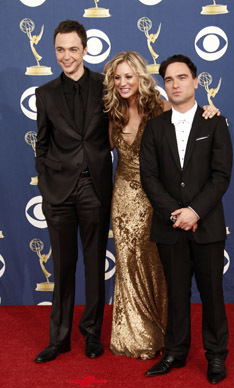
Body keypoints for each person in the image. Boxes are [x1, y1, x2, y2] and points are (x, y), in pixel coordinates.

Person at [103, 51, 220, 360]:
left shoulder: (162, 108)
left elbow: (189, 123)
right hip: (124, 199)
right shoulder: (111, 114)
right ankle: (133, 335)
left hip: (159, 199)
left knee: (161, 268)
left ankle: (162, 333)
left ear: (141, 77)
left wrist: (210, 111)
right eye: (117, 77)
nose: (123, 82)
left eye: (129, 76)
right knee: (128, 267)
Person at [140, 54, 232, 383]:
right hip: (169, 226)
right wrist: (174, 213)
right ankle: (175, 352)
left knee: (212, 293)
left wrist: (195, 211)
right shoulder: (154, 127)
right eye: (168, 79)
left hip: (206, 225)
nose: (175, 84)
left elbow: (221, 176)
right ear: (163, 85)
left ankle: (216, 356)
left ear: (196, 81)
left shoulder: (215, 122)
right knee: (176, 294)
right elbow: (148, 177)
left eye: (181, 77)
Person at [34, 20, 112, 363]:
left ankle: (91, 334)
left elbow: (143, 112)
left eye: (73, 49)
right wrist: (45, 181)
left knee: (95, 264)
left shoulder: (105, 86)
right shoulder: (45, 93)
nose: (66, 56)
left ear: (85, 49)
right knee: (63, 266)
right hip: (58, 192)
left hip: (94, 187)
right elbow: (42, 143)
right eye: (60, 50)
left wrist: (201, 109)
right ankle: (60, 338)